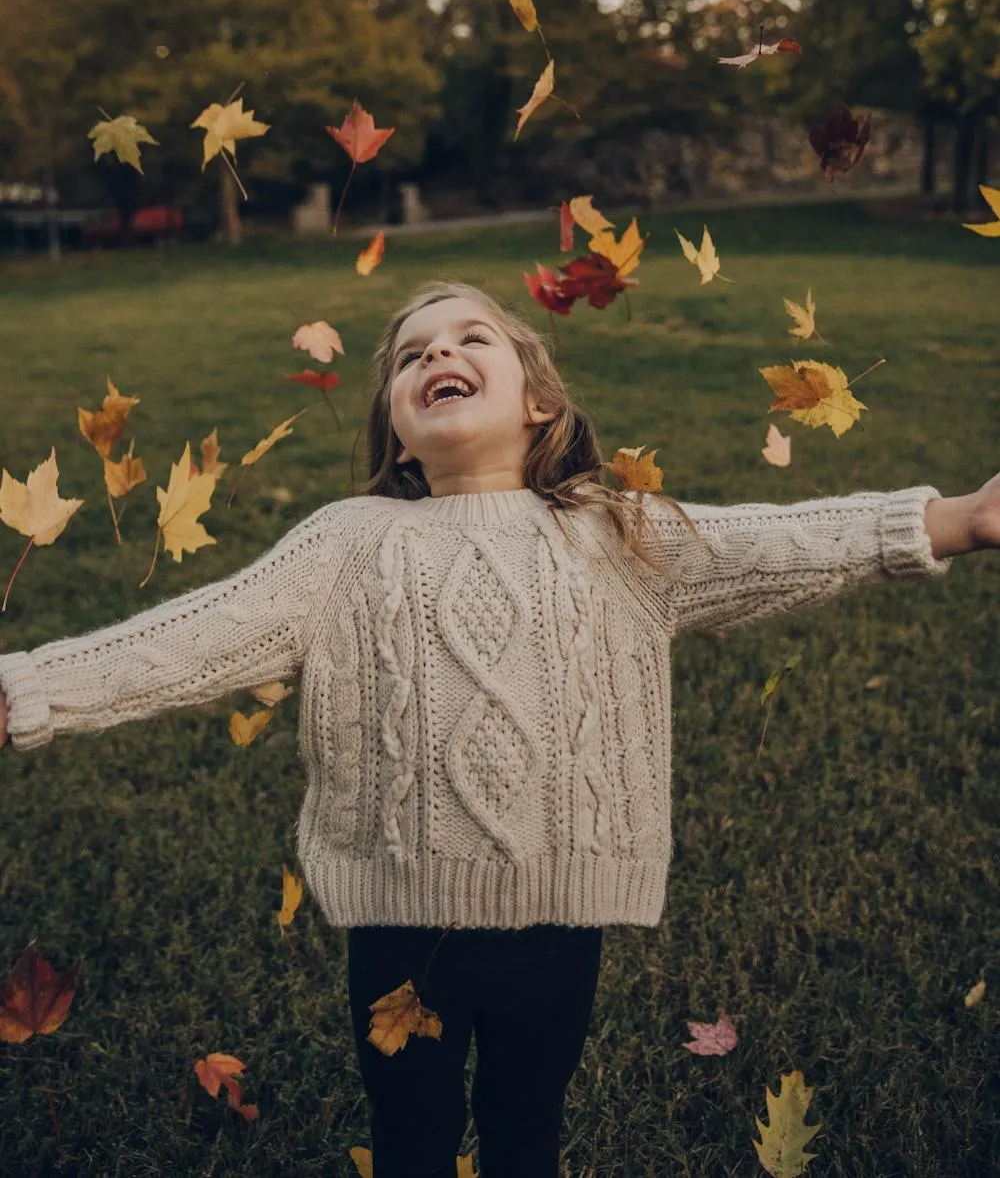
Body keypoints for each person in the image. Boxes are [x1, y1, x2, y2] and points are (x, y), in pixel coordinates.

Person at [1, 279, 996, 1178]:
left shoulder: (612, 530)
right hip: (401, 927)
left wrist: (953, 519)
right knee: (411, 1135)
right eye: (410, 354)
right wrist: (29, 689)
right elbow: (196, 637)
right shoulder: (350, 542)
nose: (437, 355)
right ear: (393, 428)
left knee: (526, 1122)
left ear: (538, 404)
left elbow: (775, 542)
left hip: (560, 923)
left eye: (469, 337)